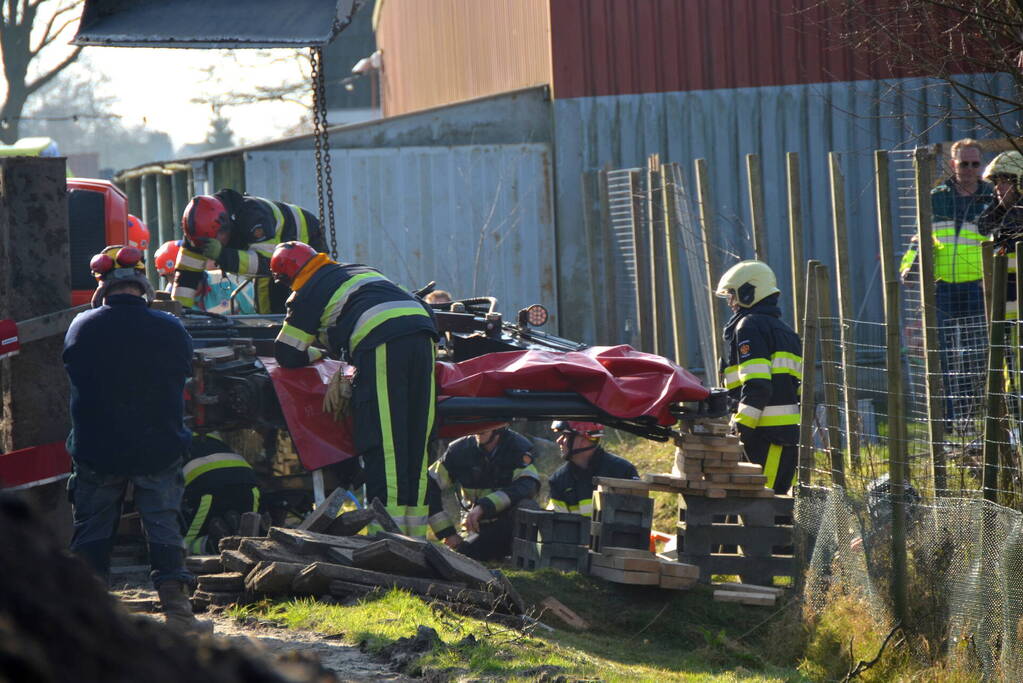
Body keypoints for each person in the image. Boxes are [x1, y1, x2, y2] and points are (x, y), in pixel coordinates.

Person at [63, 245, 208, 633]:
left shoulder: (83, 326)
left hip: (98, 450)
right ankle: (179, 615)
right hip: (157, 448)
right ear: (143, 283)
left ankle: (86, 621)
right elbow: (183, 375)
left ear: (102, 287)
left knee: (92, 528)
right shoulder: (170, 327)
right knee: (163, 524)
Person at [270, 241, 438, 537]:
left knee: (387, 441)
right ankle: (416, 539)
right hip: (424, 335)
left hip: (382, 341)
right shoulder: (360, 270)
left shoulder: (306, 291)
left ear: (287, 278)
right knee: (416, 439)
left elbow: (287, 353)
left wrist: (320, 353)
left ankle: (387, 539)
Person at [901, 139, 993, 425]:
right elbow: (920, 240)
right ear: (953, 164)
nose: (968, 169)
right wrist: (908, 268)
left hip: (979, 289)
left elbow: (1002, 242)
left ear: (981, 165)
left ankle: (971, 418)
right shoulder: (937, 197)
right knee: (941, 355)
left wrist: (992, 281)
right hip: (941, 288)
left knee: (975, 356)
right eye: (963, 163)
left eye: (974, 164)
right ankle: (948, 421)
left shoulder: (992, 198)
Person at [716, 260, 802, 495]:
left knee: (764, 508)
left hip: (764, 438)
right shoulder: (786, 332)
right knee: (773, 511)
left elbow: (758, 386)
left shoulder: (749, 326)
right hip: (783, 439)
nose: (731, 303)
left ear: (749, 291)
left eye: (733, 296)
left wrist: (740, 427)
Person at [170, 189, 324, 314]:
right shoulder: (198, 232)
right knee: (266, 302)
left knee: (301, 299)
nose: (207, 246)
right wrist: (179, 315)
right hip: (273, 249)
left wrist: (222, 256)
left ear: (226, 226)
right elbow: (186, 275)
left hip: (305, 240)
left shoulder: (253, 217)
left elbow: (267, 264)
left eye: (214, 241)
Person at [425, 426, 540, 561]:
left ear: (500, 426)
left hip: (508, 527)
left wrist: (484, 506)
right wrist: (447, 533)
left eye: (485, 422)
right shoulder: (458, 451)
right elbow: (428, 485)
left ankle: (523, 558)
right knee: (462, 557)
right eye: (474, 420)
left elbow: (527, 485)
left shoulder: (518, 448)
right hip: (476, 530)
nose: (478, 426)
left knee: (527, 506)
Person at [181, 432, 261, 555]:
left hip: (205, 484)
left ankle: (213, 544)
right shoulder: (211, 434)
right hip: (247, 481)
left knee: (182, 546)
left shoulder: (170, 436)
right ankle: (234, 531)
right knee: (248, 533)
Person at [547, 421, 638, 516]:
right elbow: (557, 525)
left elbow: (635, 520)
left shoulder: (623, 471)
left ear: (584, 440)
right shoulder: (559, 480)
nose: (559, 440)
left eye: (566, 435)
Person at [978, 150, 1023, 319]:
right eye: (996, 182)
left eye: (1004, 182)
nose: (997, 187)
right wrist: (996, 207)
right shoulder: (1002, 217)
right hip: (1007, 305)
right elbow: (983, 226)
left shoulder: (1015, 220)